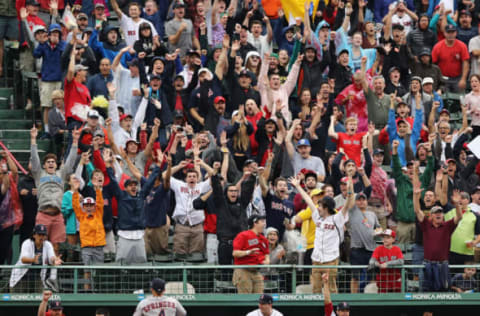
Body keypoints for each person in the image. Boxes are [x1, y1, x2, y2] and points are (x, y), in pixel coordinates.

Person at [291, 176, 352, 293]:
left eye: (320, 206)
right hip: (316, 259)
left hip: (331, 259)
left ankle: (333, 311)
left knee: (331, 289)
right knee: (316, 290)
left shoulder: (337, 218)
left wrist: (350, 191)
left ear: (327, 208)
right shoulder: (317, 217)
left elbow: (347, 205)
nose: (318, 208)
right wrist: (298, 186)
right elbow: (308, 201)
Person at [10, 224, 62, 292]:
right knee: (16, 300)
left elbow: (51, 257)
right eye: (39, 234)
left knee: (41, 299)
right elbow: (23, 259)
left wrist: (55, 260)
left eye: (43, 235)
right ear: (34, 235)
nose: (41, 237)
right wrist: (33, 260)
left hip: (37, 277)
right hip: (21, 277)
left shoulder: (48, 244)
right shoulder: (27, 243)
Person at [232, 214, 270, 294]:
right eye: (262, 222)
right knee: (245, 298)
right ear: (255, 223)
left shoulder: (263, 239)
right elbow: (235, 253)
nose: (264, 224)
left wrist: (267, 260)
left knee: (260, 297)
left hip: (256, 271)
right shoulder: (243, 235)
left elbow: (266, 253)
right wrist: (248, 252)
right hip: (243, 270)